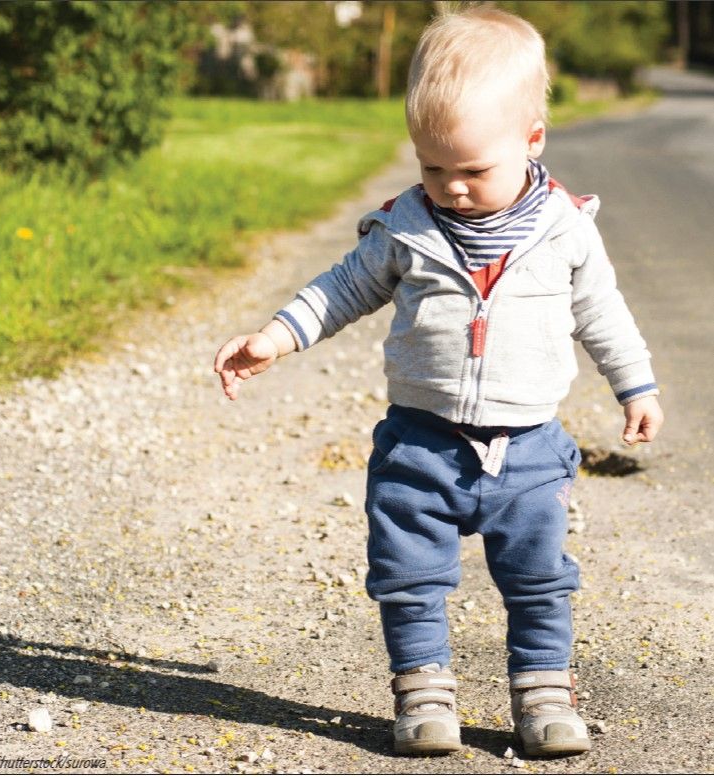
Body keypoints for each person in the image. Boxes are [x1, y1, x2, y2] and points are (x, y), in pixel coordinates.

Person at [213, 6, 663, 759]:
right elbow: (339, 289)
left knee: (539, 577)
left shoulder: (564, 230)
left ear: (532, 141)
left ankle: (543, 690)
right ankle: (422, 689)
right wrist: (276, 336)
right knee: (407, 576)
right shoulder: (406, 228)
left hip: (527, 451)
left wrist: (635, 386)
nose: (451, 187)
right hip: (419, 444)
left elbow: (602, 315)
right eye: (431, 167)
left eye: (472, 169)